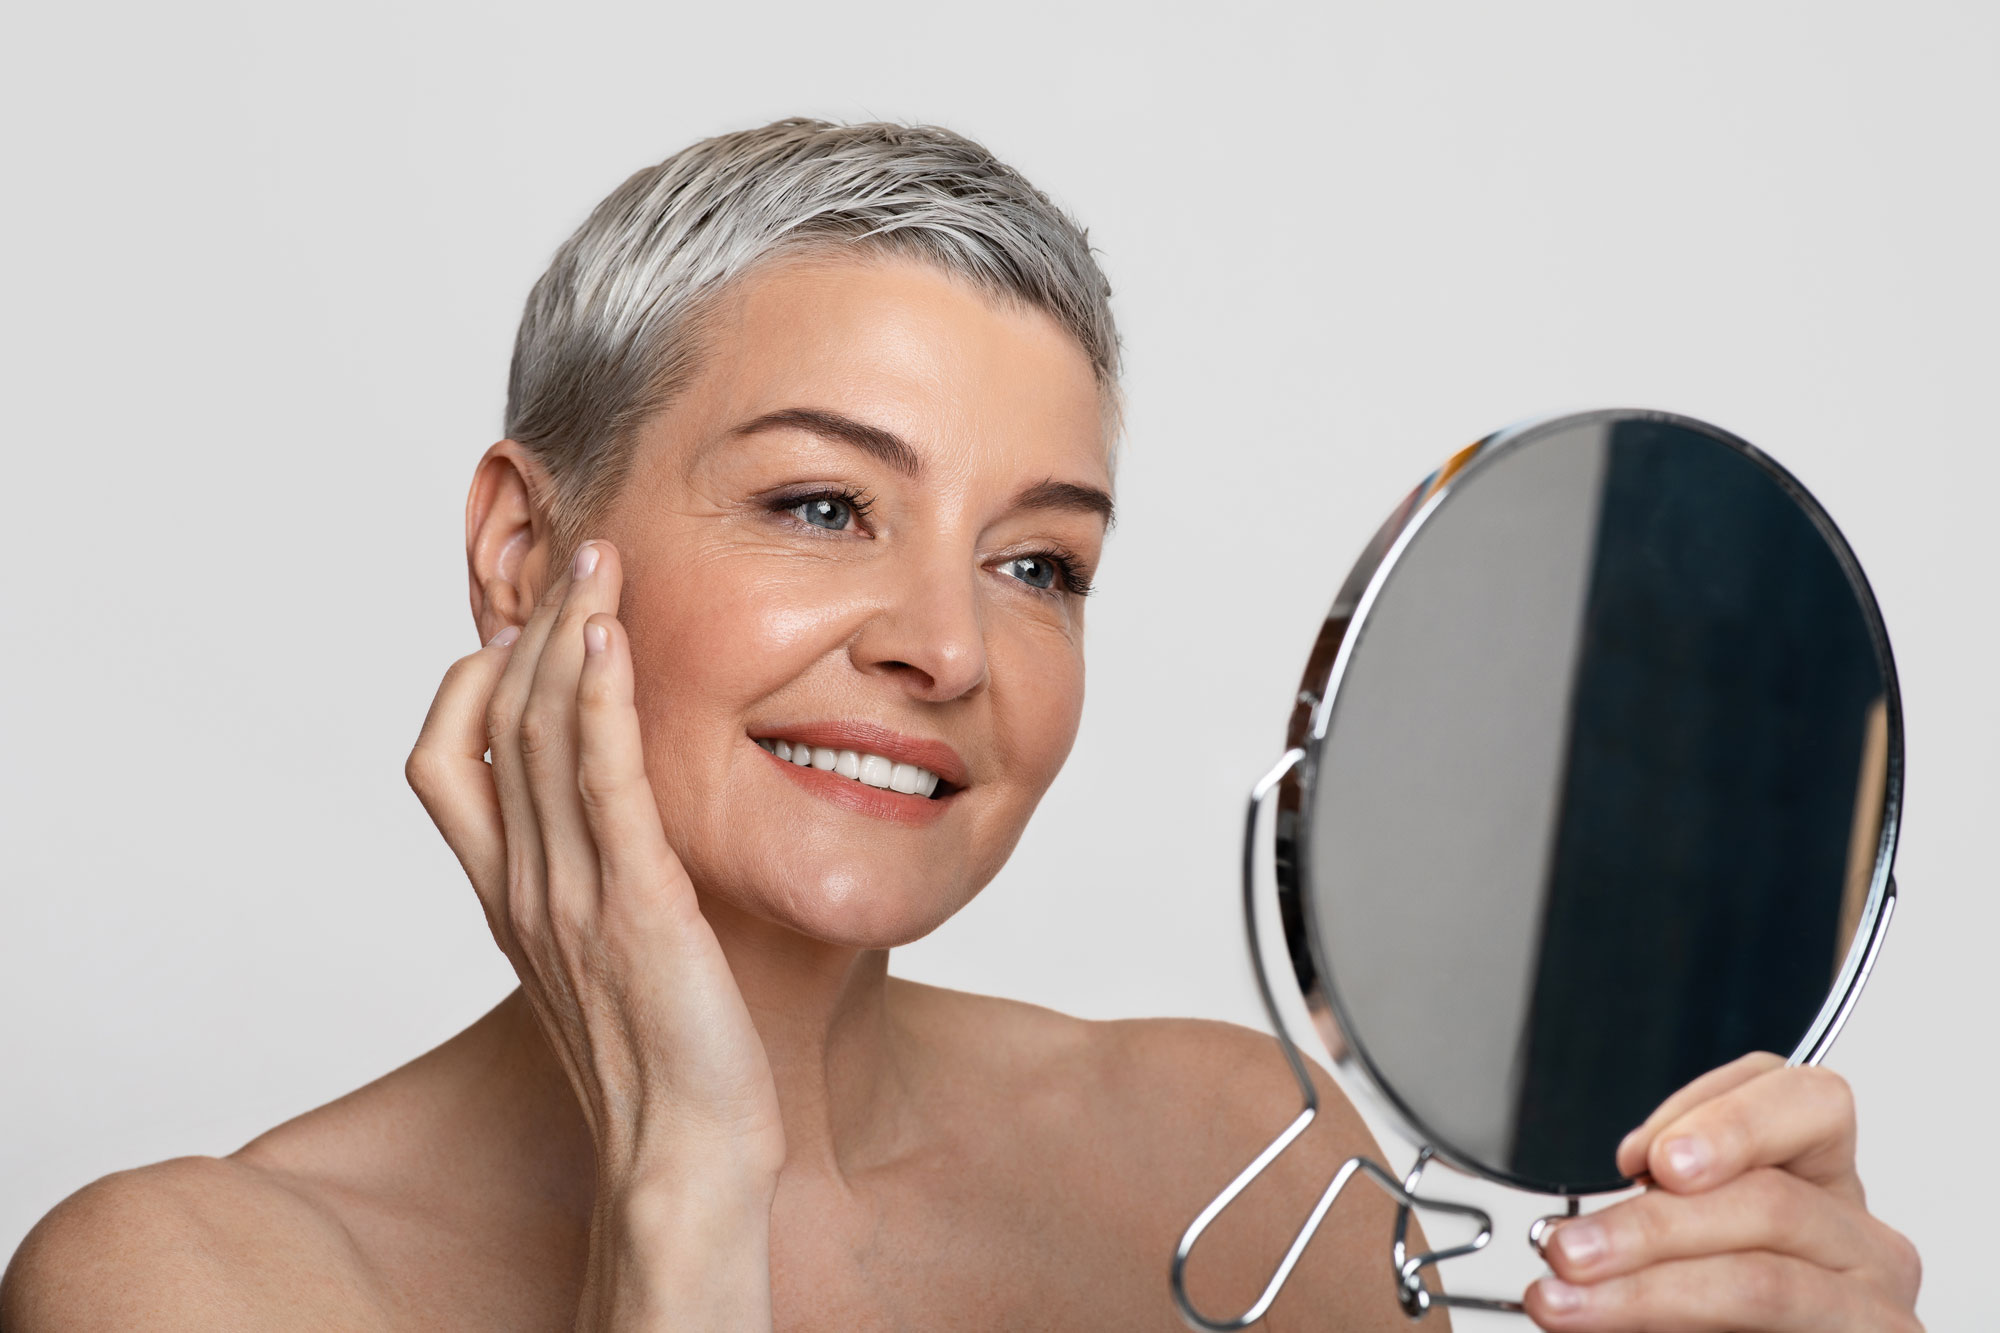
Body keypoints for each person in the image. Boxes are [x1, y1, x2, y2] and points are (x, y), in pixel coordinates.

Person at [0, 119, 1922, 1332]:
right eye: (823, 506)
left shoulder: (1253, 1149)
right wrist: (682, 1192)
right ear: (524, 546)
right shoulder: (193, 1284)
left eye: (1040, 564)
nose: (947, 646)